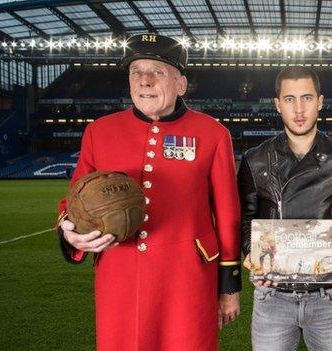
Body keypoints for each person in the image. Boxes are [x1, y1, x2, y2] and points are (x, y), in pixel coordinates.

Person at [55, 34, 242, 351]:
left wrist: (229, 286)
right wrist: (69, 230)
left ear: (180, 83)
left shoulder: (213, 133)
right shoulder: (99, 131)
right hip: (119, 274)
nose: (144, 80)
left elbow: (227, 214)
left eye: (156, 71)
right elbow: (76, 197)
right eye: (136, 72)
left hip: (189, 277)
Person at [238, 66, 332, 351]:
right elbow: (245, 218)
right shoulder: (254, 159)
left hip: (328, 297)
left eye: (307, 98)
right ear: (277, 104)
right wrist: (251, 250)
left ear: (320, 102)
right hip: (271, 297)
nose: (299, 109)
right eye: (289, 99)